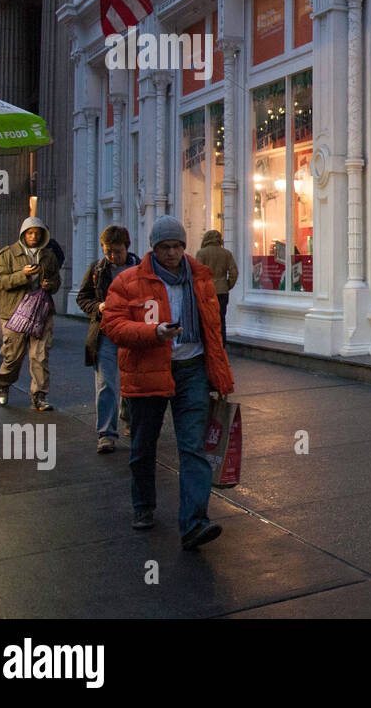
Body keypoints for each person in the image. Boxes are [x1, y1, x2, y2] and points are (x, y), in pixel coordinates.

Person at [102, 215, 234, 550]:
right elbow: (113, 325)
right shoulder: (130, 281)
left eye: (177, 246)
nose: (172, 253)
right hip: (149, 369)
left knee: (193, 446)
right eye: (165, 247)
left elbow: (213, 331)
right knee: (143, 444)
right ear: (154, 248)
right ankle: (143, 505)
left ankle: (194, 523)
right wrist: (153, 332)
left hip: (192, 369)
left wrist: (218, 374)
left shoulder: (200, 278)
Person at [77, 226, 139, 453]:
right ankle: (106, 433)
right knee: (106, 383)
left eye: (118, 252)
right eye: (108, 251)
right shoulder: (97, 269)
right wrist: (98, 307)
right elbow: (83, 298)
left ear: (127, 247)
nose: (113, 257)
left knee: (132, 381)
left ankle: (130, 420)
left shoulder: (141, 269)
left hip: (133, 333)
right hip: (105, 333)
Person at [0, 217, 61, 411]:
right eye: (30, 233)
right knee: (13, 356)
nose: (34, 236)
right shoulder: (8, 254)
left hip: (41, 311)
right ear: (23, 234)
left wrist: (50, 285)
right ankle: (3, 384)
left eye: (37, 233)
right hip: (14, 313)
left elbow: (57, 280)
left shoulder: (48, 255)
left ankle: (39, 395)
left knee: (40, 355)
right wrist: (23, 275)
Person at [194, 229, 238, 344]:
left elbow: (197, 272)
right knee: (221, 318)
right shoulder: (226, 253)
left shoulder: (201, 253)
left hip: (206, 292)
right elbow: (234, 272)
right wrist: (228, 285)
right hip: (222, 291)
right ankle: (221, 343)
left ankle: (208, 343)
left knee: (206, 319)